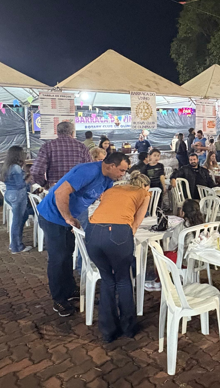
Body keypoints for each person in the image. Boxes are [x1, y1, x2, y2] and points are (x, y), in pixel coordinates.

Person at [36, 152, 130, 317]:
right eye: (122, 170)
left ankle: (69, 289)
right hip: (53, 216)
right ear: (111, 166)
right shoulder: (88, 171)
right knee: (58, 258)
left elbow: (107, 201)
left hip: (69, 217)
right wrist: (68, 217)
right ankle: (59, 299)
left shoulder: (108, 179)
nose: (123, 174)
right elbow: (60, 193)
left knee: (68, 253)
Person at [86, 171, 151, 342]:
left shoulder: (112, 189)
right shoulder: (144, 193)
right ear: (145, 186)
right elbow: (136, 224)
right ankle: (128, 328)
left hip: (93, 232)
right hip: (118, 232)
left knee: (107, 280)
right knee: (123, 280)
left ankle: (108, 331)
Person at [31, 121, 91, 189]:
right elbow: (90, 170)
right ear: (72, 132)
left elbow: (36, 171)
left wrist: (45, 184)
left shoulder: (47, 146)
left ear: (57, 132)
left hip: (55, 189)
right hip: (77, 189)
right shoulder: (82, 147)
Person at [3, 145, 33, 254]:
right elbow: (21, 184)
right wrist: (29, 177)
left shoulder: (7, 166)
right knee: (17, 221)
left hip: (9, 194)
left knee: (22, 217)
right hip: (18, 195)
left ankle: (15, 244)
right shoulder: (16, 167)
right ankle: (16, 247)